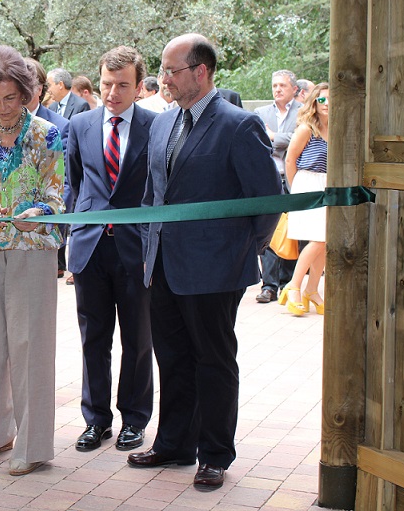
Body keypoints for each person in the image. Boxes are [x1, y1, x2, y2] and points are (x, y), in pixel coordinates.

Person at [130, 34, 280, 491]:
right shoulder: (161, 123)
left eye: (172, 70)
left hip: (214, 268)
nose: (164, 79)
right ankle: (175, 444)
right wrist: (147, 242)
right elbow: (154, 192)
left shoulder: (239, 125)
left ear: (201, 71)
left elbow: (268, 199)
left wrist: (242, 248)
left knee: (213, 361)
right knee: (172, 358)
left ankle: (215, 454)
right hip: (162, 265)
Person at [0, 45, 65, 477]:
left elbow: (57, 196)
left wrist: (36, 215)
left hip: (33, 251)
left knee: (30, 349)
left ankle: (33, 446)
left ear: (25, 93)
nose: (1, 107)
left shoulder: (47, 134)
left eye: (10, 97)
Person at [66, 46, 156, 454]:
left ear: (139, 87)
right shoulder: (80, 124)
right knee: (93, 339)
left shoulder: (157, 126)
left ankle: (134, 420)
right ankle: (95, 420)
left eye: (122, 85)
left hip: (136, 249)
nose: (112, 92)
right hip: (89, 248)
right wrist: (68, 244)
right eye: (106, 84)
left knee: (138, 340)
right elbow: (75, 183)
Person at [280, 83, 329, 316]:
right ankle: (294, 286)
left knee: (325, 243)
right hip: (307, 183)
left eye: (330, 100)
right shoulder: (307, 129)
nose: (327, 104)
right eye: (322, 100)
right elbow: (290, 160)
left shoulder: (337, 128)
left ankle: (312, 289)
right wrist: (295, 190)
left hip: (328, 185)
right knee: (319, 240)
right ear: (314, 103)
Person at [253, 69, 302, 303]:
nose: (278, 90)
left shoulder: (303, 112)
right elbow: (259, 141)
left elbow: (302, 139)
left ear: (294, 89)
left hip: (294, 178)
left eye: (282, 85)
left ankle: (287, 282)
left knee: (293, 231)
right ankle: (269, 285)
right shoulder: (260, 113)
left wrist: (274, 137)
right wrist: (282, 138)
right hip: (270, 178)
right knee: (270, 230)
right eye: (274, 86)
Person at [25, 58, 72, 279]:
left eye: (26, 84)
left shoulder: (60, 127)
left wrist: (51, 223)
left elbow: (66, 183)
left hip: (43, 233)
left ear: (40, 88)